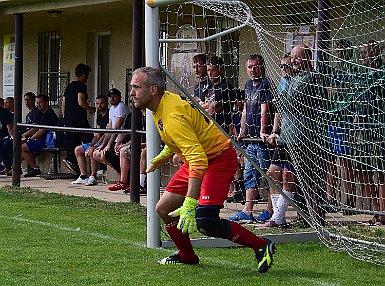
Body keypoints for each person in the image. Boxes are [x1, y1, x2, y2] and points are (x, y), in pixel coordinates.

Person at [131, 66, 275, 273]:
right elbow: (185, 135)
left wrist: (190, 203)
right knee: (163, 209)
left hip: (217, 159)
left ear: (153, 89)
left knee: (205, 222)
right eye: (131, 87)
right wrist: (166, 154)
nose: (132, 92)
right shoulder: (161, 104)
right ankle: (187, 256)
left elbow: (197, 158)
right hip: (198, 158)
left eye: (136, 87)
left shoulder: (171, 115)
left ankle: (261, 245)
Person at [229, 54, 273, 223]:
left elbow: (265, 110)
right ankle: (247, 211)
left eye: (256, 66)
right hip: (250, 141)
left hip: (262, 141)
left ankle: (271, 211)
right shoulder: (248, 85)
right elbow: (246, 111)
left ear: (262, 67)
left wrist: (262, 131)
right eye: (249, 67)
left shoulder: (266, 85)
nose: (252, 70)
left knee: (267, 176)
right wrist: (241, 132)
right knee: (249, 174)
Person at [92, 88, 130, 191]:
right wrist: (103, 144)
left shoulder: (121, 107)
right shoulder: (112, 109)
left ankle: (126, 179)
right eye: (110, 96)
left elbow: (117, 128)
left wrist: (109, 145)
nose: (112, 98)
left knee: (108, 153)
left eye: (114, 96)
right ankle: (124, 177)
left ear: (120, 97)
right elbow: (109, 128)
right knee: (96, 153)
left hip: (123, 139)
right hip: (116, 140)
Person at [62, 63, 96, 175]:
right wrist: (91, 108)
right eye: (87, 75)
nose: (87, 78)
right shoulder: (81, 86)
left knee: (75, 145)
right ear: (82, 74)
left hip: (68, 122)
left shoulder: (69, 86)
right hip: (79, 121)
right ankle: (98, 168)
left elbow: (63, 104)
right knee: (93, 141)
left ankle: (78, 171)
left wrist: (65, 118)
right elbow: (81, 102)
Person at [0, 92, 42, 176]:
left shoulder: (36, 112)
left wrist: (24, 136)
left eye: (28, 100)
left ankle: (16, 167)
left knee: (10, 144)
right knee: (2, 143)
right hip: (26, 137)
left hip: (35, 139)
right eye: (25, 100)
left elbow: (34, 129)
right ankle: (8, 166)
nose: (26, 102)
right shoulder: (29, 114)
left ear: (33, 100)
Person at [71, 94, 109, 185]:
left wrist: (93, 147)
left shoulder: (110, 114)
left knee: (92, 150)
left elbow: (106, 135)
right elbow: (97, 134)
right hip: (99, 142)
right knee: (78, 149)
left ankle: (93, 177)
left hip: (106, 143)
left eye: (102, 103)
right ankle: (83, 176)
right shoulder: (99, 117)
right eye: (97, 103)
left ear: (107, 104)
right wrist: (92, 144)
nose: (99, 106)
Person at [22, 94, 58, 177]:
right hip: (43, 140)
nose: (38, 105)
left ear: (47, 103)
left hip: (47, 141)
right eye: (37, 103)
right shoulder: (44, 113)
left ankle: (34, 168)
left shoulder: (48, 114)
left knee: (22, 147)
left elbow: (40, 131)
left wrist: (30, 139)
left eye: (40, 102)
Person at [206, 56, 236, 133]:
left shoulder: (225, 87)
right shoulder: (209, 86)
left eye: (213, 70)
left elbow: (214, 108)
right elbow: (202, 103)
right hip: (210, 127)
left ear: (221, 70)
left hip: (221, 128)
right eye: (208, 70)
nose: (210, 73)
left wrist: (206, 106)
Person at [0, 103, 13, 174]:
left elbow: (10, 126)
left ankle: (13, 166)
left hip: (7, 136)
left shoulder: (3, 112)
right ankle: (7, 166)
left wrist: (11, 136)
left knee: (6, 144)